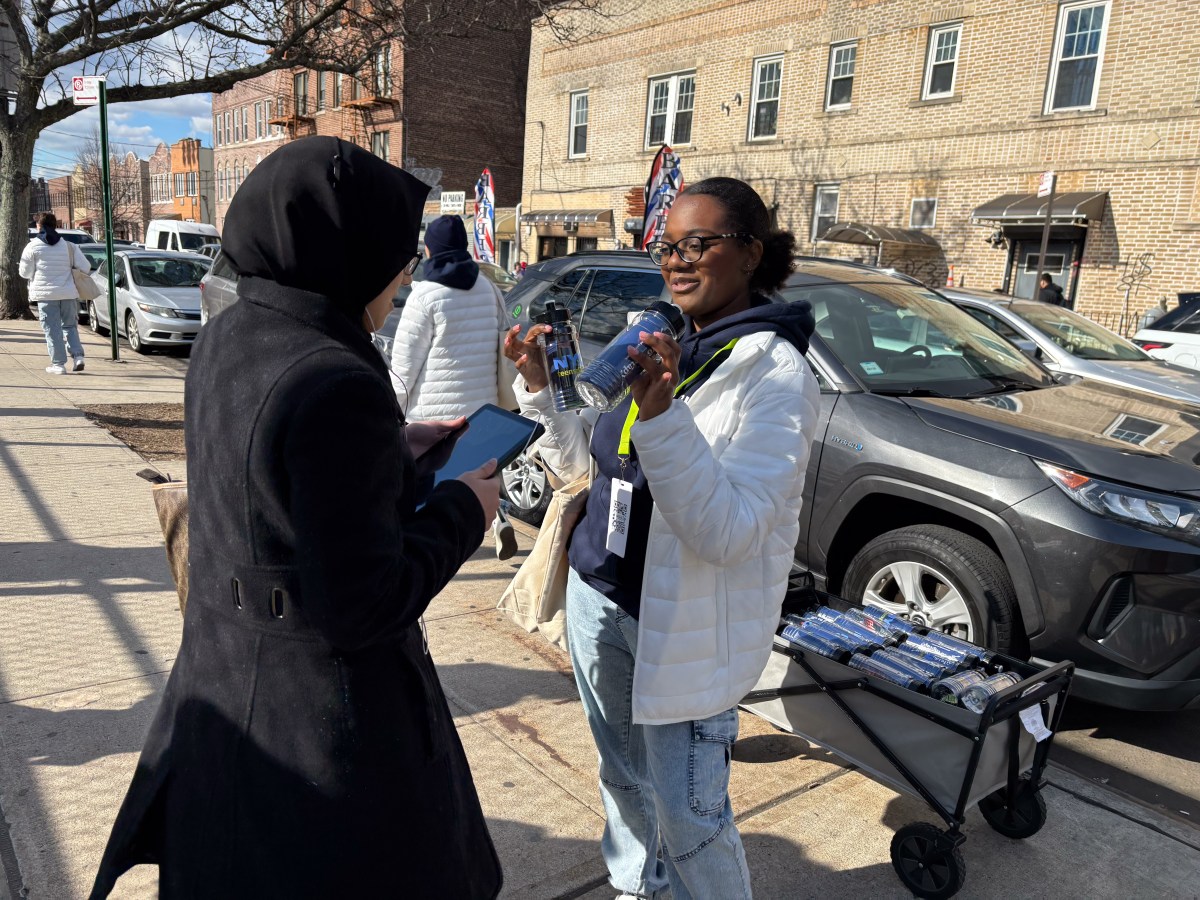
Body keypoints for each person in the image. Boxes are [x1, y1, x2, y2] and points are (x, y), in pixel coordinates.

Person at [91, 137, 503, 899]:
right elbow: (364, 603)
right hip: (319, 719)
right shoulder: (335, 376)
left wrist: (394, 449)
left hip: (224, 675)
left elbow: (268, 481)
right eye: (397, 253)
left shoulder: (231, 334)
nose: (406, 272)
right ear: (348, 253)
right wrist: (463, 510)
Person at [504, 177, 819, 899]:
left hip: (681, 629)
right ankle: (635, 889)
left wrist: (662, 413)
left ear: (751, 253)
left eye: (697, 244)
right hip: (600, 596)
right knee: (621, 777)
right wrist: (537, 391)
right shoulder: (663, 336)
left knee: (691, 818)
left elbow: (731, 533)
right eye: (667, 245)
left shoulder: (773, 372)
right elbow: (586, 465)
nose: (676, 260)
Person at [389, 214, 518, 559]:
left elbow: (404, 368)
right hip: (480, 409)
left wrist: (392, 412)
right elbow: (501, 342)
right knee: (475, 475)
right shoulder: (488, 287)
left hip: (433, 420)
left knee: (426, 498)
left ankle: (432, 549)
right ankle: (499, 518)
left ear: (430, 249)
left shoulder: (425, 296)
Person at [20, 212, 87, 374]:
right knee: (70, 326)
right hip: (68, 293)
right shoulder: (69, 246)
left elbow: (25, 273)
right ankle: (78, 356)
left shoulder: (32, 247)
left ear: (38, 226)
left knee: (52, 329)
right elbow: (84, 267)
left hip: (46, 295)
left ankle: (58, 364)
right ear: (56, 225)